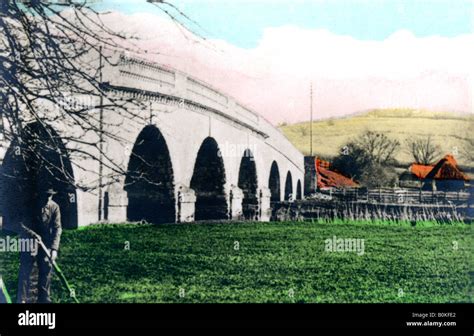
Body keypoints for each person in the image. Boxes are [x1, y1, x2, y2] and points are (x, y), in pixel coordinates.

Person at [17, 188, 62, 303]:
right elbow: (21, 224)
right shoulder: (30, 205)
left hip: (45, 242)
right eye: (46, 195)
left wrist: (54, 248)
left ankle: (44, 298)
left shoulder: (54, 207)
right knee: (26, 268)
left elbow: (57, 228)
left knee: (46, 266)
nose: (48, 198)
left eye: (50, 196)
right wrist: (33, 234)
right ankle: (22, 299)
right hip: (29, 239)